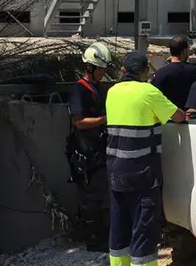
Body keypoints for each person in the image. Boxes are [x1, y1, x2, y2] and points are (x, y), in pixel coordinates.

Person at [105, 51, 186, 266]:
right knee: (143, 232)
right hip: (142, 176)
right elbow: (177, 116)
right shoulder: (149, 92)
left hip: (115, 172)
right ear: (145, 72)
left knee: (119, 229)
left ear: (123, 71)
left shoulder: (111, 92)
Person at [67, 42, 113, 251]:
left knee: (98, 193)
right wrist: (105, 119)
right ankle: (92, 239)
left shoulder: (99, 88)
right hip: (85, 152)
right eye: (101, 69)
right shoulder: (80, 90)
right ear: (91, 68)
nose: (104, 73)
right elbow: (79, 122)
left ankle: (98, 233)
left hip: (98, 149)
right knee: (90, 197)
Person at [151, 34, 196, 109]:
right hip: (189, 116)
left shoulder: (161, 72)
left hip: (168, 116)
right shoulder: (195, 70)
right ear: (184, 50)